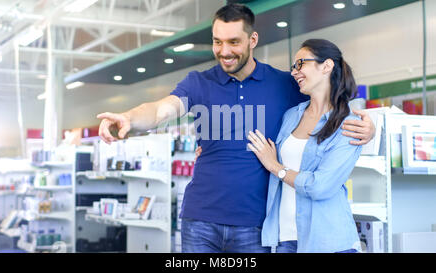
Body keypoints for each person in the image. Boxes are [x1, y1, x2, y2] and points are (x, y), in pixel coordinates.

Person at [97, 4, 374, 253]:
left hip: (255, 224)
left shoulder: (285, 85)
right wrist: (129, 118)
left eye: (233, 42)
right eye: (217, 42)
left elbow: (332, 106)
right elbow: (160, 110)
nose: (224, 51)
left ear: (253, 39)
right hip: (200, 220)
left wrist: (371, 129)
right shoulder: (198, 83)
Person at [247, 39, 364, 253]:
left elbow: (320, 186)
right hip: (284, 238)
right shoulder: (292, 116)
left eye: (300, 64)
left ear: (326, 66)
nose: (294, 72)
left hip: (327, 241)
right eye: (293, 66)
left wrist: (275, 166)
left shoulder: (349, 124)